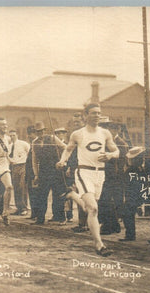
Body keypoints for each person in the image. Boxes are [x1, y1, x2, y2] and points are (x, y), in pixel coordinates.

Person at [57, 103, 121, 256]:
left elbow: (117, 151)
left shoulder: (105, 133)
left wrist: (110, 155)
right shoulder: (78, 134)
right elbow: (68, 149)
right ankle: (99, 245)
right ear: (85, 115)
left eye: (99, 113)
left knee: (89, 209)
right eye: (93, 113)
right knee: (93, 209)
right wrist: (63, 161)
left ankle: (72, 195)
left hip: (100, 174)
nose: (97, 116)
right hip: (84, 172)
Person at [32, 121, 67, 225]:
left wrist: (62, 160)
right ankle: (40, 219)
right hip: (43, 171)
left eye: (41, 131)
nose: (40, 133)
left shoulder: (52, 138)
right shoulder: (35, 142)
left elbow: (65, 148)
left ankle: (61, 218)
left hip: (55, 170)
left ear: (44, 130)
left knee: (58, 194)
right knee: (41, 195)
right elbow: (34, 160)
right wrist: (36, 174)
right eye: (38, 132)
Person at [121, 147, 146, 241]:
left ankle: (130, 235)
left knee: (127, 214)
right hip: (137, 194)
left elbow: (126, 184)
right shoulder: (141, 169)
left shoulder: (131, 170)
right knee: (129, 214)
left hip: (131, 195)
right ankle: (130, 234)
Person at [8, 129, 30, 216]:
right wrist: (11, 162)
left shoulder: (23, 144)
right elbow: (7, 156)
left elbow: (30, 153)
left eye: (13, 135)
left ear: (17, 135)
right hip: (14, 167)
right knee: (16, 187)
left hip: (23, 166)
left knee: (22, 186)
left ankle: (24, 208)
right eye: (10, 136)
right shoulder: (9, 146)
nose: (12, 137)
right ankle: (19, 208)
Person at [24, 125, 38, 219]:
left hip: (35, 174)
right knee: (31, 194)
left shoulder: (37, 144)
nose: (29, 136)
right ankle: (33, 214)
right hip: (30, 174)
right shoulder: (31, 145)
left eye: (31, 134)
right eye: (28, 134)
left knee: (36, 194)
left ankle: (37, 214)